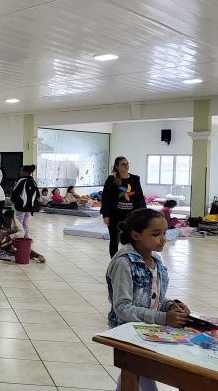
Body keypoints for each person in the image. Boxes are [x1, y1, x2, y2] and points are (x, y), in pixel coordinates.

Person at [106, 209, 189, 390]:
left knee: (142, 371)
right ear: (136, 235)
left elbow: (153, 295)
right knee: (131, 371)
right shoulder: (123, 263)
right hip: (127, 330)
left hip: (148, 328)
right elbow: (123, 308)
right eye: (156, 234)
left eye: (165, 233)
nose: (163, 238)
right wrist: (164, 318)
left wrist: (171, 305)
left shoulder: (156, 261)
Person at [101, 156, 146, 259]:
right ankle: (114, 261)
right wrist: (106, 215)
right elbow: (106, 198)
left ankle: (131, 260)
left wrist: (143, 214)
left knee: (131, 239)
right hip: (115, 215)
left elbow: (139, 197)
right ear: (117, 166)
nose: (126, 166)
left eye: (127, 164)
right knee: (114, 240)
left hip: (131, 216)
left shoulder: (134, 179)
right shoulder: (111, 180)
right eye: (123, 164)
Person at [12, 165, 39, 239]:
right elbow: (37, 195)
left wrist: (13, 200)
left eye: (21, 171)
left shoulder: (22, 180)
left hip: (21, 207)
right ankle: (26, 236)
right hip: (29, 208)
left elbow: (15, 192)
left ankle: (19, 238)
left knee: (18, 223)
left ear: (26, 172)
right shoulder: (33, 182)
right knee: (25, 222)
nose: (20, 172)